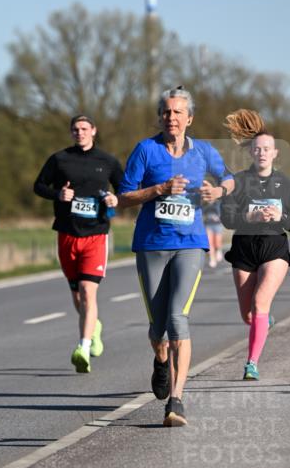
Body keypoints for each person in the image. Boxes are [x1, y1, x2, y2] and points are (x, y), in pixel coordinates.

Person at [118, 86, 234, 426]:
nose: (172, 117)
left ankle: (177, 400)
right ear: (161, 117)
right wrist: (159, 190)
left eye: (178, 112)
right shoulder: (146, 150)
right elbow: (123, 196)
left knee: (177, 317)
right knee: (158, 328)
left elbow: (229, 179)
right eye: (167, 112)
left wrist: (218, 190)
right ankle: (160, 360)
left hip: (190, 243)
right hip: (151, 245)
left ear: (189, 118)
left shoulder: (203, 153)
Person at [33, 114, 124, 373]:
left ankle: (83, 347)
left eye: (84, 128)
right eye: (75, 129)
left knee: (87, 291)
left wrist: (115, 200)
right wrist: (57, 194)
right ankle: (93, 327)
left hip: (96, 234)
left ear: (94, 131)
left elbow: (126, 189)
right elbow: (38, 186)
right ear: (71, 132)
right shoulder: (59, 159)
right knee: (76, 296)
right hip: (67, 233)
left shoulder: (107, 161)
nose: (80, 133)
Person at [220, 110, 290, 380]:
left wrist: (280, 216)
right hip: (244, 249)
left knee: (260, 302)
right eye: (257, 149)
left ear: (275, 153)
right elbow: (226, 217)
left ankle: (251, 363)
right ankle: (262, 323)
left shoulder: (285, 184)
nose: (262, 153)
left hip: (274, 249)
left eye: (267, 149)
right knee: (249, 314)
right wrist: (250, 216)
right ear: (251, 153)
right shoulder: (239, 182)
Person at [202, 202, 224, 267]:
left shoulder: (218, 203)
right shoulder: (205, 203)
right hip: (208, 224)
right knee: (209, 243)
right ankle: (212, 259)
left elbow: (223, 213)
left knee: (217, 242)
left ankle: (218, 250)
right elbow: (202, 213)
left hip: (217, 224)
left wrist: (218, 217)